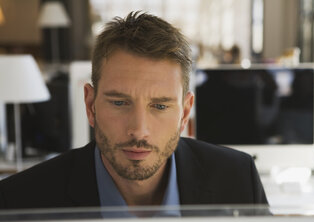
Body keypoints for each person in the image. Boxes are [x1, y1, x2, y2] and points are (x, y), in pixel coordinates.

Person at [0, 12, 267, 211]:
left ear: (185, 113)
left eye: (160, 106)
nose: (139, 130)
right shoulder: (20, 201)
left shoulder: (239, 181)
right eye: (119, 103)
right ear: (90, 105)